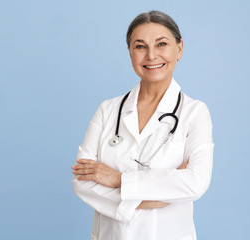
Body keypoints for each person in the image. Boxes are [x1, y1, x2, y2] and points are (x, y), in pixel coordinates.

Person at [71, 10, 214, 240]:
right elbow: (82, 182)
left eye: (161, 44)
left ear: (179, 49)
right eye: (140, 46)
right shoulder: (108, 111)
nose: (151, 55)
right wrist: (155, 198)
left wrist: (118, 180)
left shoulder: (194, 112)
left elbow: (196, 182)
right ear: (130, 52)